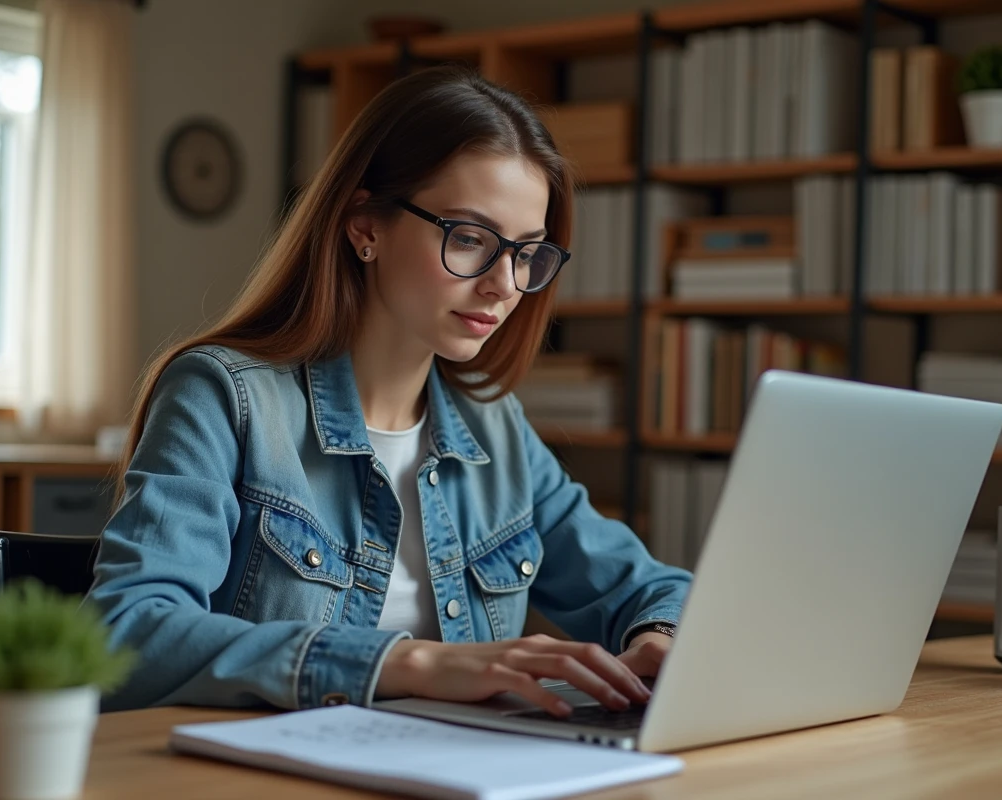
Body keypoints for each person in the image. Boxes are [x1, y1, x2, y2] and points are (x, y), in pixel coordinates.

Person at [87, 65, 691, 719]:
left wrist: (660, 638)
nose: (504, 285)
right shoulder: (223, 398)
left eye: (526, 253)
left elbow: (651, 588)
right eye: (469, 239)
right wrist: (415, 663)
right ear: (364, 226)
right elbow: (130, 633)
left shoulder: (495, 428)